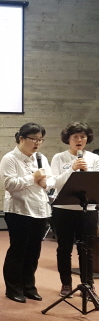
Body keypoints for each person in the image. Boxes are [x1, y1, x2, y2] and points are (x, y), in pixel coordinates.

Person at [0, 123, 54, 303]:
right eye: (34, 139)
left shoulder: (41, 157)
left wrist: (47, 183)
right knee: (18, 251)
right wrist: (33, 178)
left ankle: (29, 286)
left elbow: (50, 178)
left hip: (40, 210)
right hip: (19, 210)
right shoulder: (10, 158)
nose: (37, 143)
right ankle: (13, 288)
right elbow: (10, 184)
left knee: (33, 252)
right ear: (21, 138)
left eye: (40, 139)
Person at [51, 122, 99, 297]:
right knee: (64, 248)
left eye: (83, 137)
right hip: (64, 209)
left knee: (86, 249)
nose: (79, 140)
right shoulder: (59, 158)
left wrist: (87, 172)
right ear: (68, 139)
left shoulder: (94, 158)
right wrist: (72, 169)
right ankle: (66, 284)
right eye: (75, 137)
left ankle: (88, 284)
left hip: (88, 209)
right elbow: (54, 183)